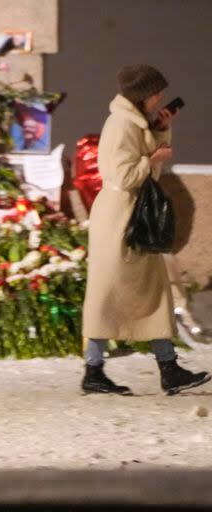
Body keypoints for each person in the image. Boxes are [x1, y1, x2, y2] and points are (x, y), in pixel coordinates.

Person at [81, 65, 210, 396]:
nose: (160, 98)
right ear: (144, 94)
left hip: (132, 215)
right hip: (120, 218)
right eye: (156, 93)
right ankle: (96, 370)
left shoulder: (134, 123)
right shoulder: (121, 125)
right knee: (106, 293)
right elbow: (122, 175)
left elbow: (147, 164)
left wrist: (161, 132)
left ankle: (166, 367)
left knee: (152, 290)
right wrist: (153, 157)